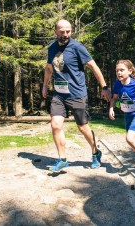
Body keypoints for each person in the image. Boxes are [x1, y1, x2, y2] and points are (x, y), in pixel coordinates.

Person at [42, 19, 111, 172]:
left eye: (68, 31)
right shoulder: (52, 48)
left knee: (83, 128)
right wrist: (44, 85)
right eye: (62, 31)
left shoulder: (77, 47)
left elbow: (93, 66)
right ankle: (62, 159)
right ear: (55, 32)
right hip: (59, 95)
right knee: (55, 125)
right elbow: (48, 68)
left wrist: (104, 87)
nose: (65, 34)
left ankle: (95, 152)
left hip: (77, 94)